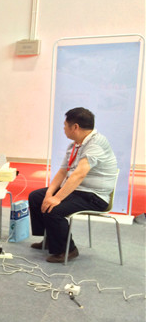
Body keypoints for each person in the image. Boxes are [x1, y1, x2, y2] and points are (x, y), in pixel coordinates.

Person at [28, 107, 117, 263]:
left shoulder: (96, 144)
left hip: (94, 196)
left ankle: (68, 249)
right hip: (78, 190)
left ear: (75, 127)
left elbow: (79, 174)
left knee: (53, 209)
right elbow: (63, 171)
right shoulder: (75, 145)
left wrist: (57, 198)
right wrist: (49, 193)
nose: (63, 128)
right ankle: (50, 239)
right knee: (36, 197)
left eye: (65, 125)